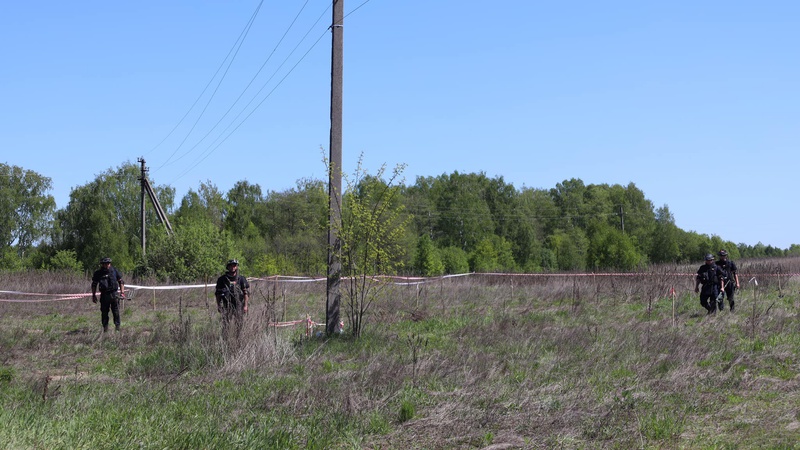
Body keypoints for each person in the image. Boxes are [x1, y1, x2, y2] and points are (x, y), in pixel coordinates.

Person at [214, 259, 250, 339]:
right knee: (226, 324)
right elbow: (218, 294)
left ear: (236, 267)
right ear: (228, 267)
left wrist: (245, 306)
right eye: (231, 265)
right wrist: (219, 305)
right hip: (226, 305)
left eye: (235, 265)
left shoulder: (241, 279)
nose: (233, 267)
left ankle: (238, 339)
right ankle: (225, 340)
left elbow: (246, 293)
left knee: (239, 324)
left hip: (239, 305)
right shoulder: (222, 279)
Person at [91, 257, 125, 332]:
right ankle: (105, 329)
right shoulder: (98, 273)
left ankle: (117, 328)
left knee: (116, 312)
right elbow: (94, 284)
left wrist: (122, 293)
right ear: (102, 264)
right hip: (104, 296)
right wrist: (93, 295)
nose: (107, 265)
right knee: (104, 313)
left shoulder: (114, 271)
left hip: (114, 295)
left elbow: (121, 281)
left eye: (108, 264)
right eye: (105, 264)